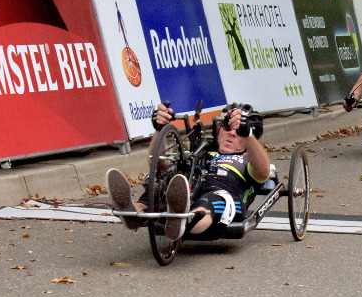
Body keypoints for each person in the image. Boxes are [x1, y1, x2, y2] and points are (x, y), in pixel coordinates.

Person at [106, 103, 272, 240]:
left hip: (221, 195)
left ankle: (184, 220)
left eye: (240, 131)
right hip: (186, 190)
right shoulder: (199, 150)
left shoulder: (248, 159)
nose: (233, 133)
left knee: (212, 201)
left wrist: (248, 133)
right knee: (161, 186)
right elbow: (159, 165)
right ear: (219, 128)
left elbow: (263, 172)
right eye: (228, 126)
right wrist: (160, 129)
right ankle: (134, 214)